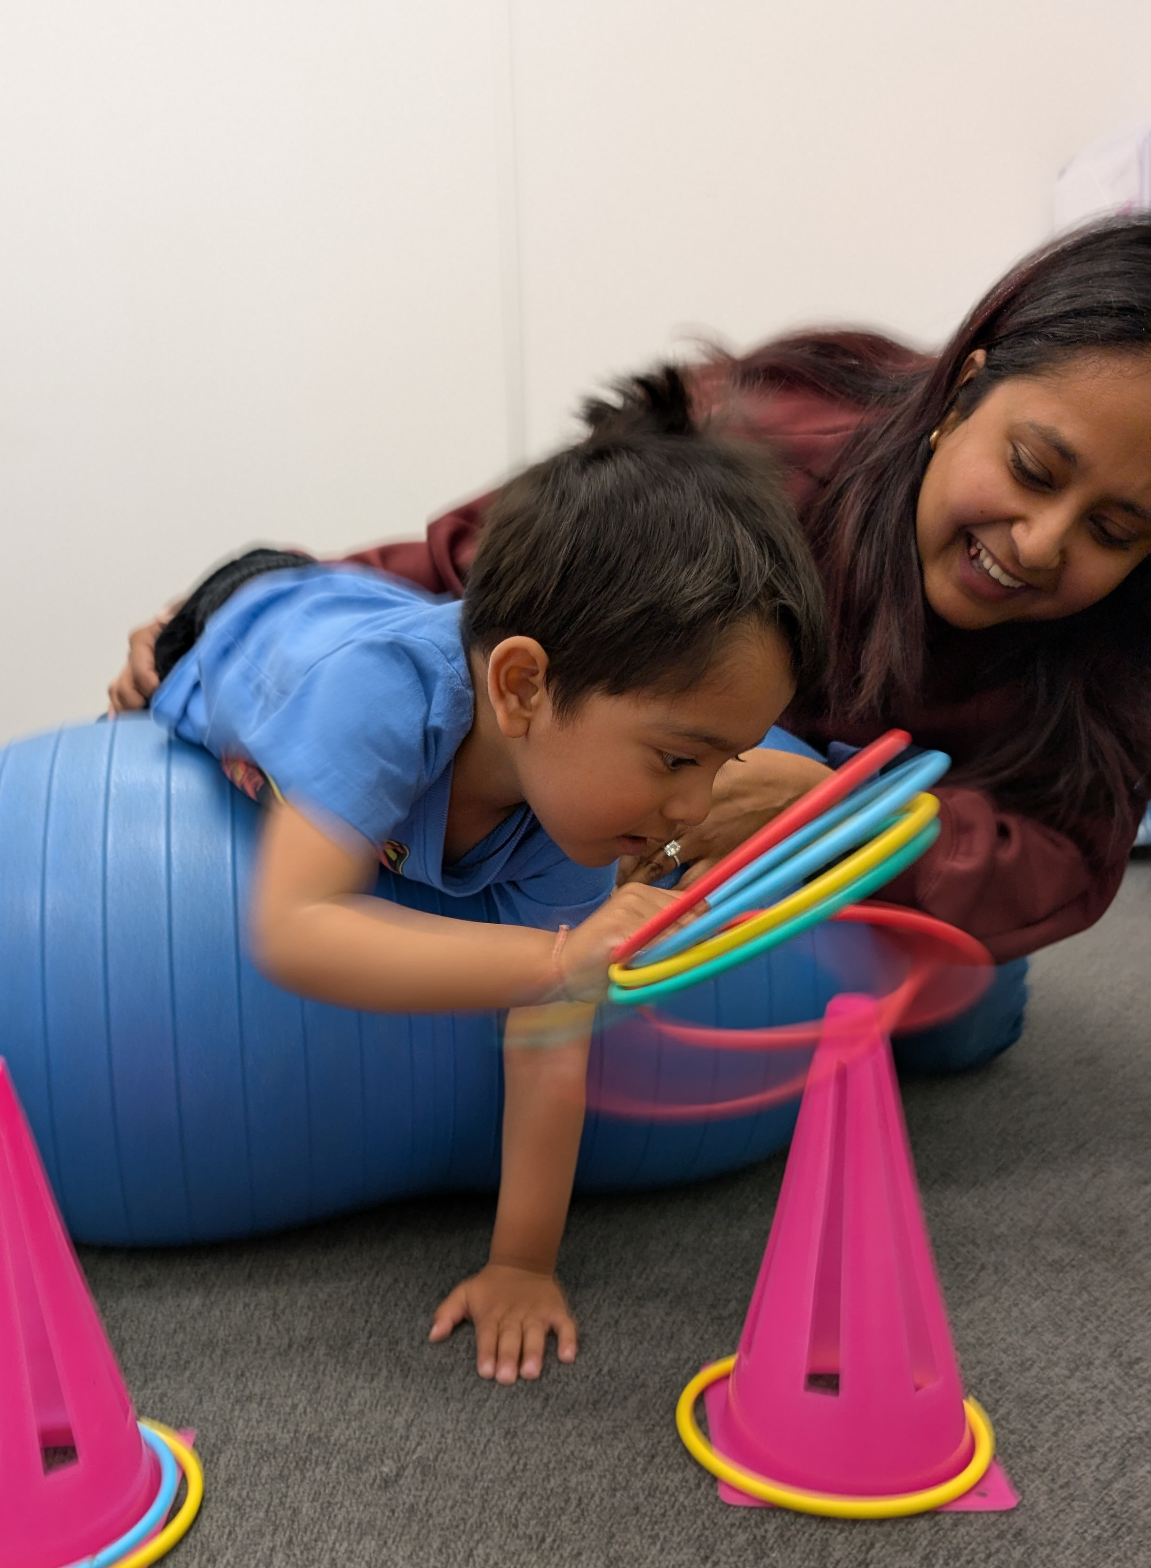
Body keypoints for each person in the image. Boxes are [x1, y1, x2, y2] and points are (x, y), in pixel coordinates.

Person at [112, 216, 1151, 1038]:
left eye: (1113, 529)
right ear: (962, 394)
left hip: (828, 839)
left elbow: (1065, 855)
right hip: (344, 641)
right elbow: (503, 575)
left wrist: (839, 816)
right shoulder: (754, 455)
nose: (1039, 543)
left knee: (963, 1021)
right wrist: (238, 621)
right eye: (1031, 469)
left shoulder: (1107, 647)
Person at [148, 404, 825, 1384]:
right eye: (679, 759)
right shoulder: (374, 701)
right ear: (520, 691)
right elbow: (294, 928)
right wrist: (555, 956)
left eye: (724, 765)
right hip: (252, 611)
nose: (694, 809)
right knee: (165, 673)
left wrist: (521, 1262)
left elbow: (548, 1037)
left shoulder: (573, 815)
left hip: (382, 610)